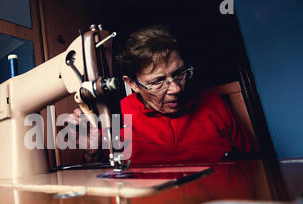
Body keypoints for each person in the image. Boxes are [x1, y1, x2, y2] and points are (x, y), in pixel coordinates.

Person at [70, 25, 254, 166]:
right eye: (158, 81)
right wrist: (91, 154)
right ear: (132, 84)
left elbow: (252, 166)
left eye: (179, 73)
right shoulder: (115, 119)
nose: (175, 89)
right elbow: (99, 178)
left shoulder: (213, 105)